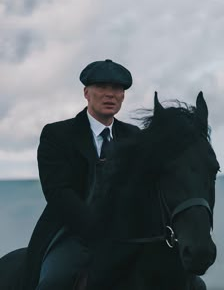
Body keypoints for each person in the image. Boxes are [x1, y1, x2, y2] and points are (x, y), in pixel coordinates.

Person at [22, 59, 139, 290]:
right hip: (71, 231)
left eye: (117, 89)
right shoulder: (57, 134)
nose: (110, 95)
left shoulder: (134, 136)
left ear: (123, 96)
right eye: (102, 87)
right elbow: (58, 192)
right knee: (53, 283)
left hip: (125, 233)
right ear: (86, 93)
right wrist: (98, 229)